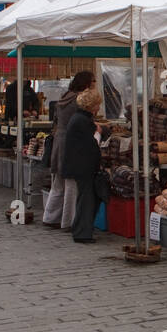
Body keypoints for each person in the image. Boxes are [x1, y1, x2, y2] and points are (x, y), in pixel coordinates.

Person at [42, 71, 96, 229]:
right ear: (86, 83)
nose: (94, 84)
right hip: (71, 143)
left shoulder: (66, 96)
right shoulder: (78, 100)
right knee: (71, 184)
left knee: (58, 183)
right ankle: (68, 221)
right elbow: (82, 122)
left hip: (60, 140)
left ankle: (50, 217)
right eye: (93, 81)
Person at [62, 88, 103, 244]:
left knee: (84, 198)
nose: (98, 108)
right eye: (97, 105)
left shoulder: (78, 118)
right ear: (92, 106)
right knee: (86, 199)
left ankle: (81, 229)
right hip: (83, 165)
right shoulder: (84, 121)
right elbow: (91, 145)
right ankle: (82, 233)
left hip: (78, 164)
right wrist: (98, 132)